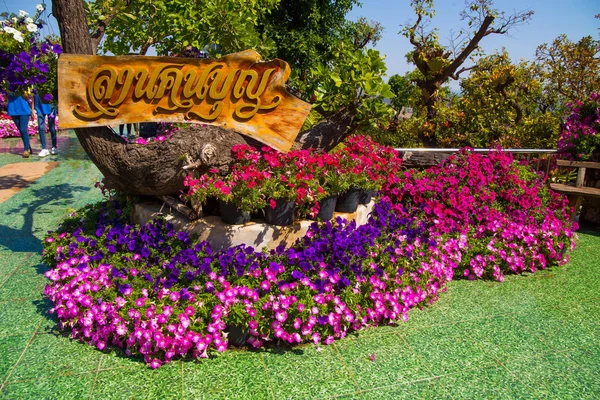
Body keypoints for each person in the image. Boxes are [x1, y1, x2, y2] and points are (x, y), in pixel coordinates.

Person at [7, 93, 33, 158]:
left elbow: (28, 96)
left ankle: (26, 150)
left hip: (23, 108)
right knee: (21, 131)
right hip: (13, 108)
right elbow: (5, 96)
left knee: (23, 129)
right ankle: (28, 147)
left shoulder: (23, 84)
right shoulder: (6, 84)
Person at [34, 91, 57, 156]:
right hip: (39, 105)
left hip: (50, 104)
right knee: (41, 127)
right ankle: (44, 148)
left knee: (52, 126)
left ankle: (54, 146)